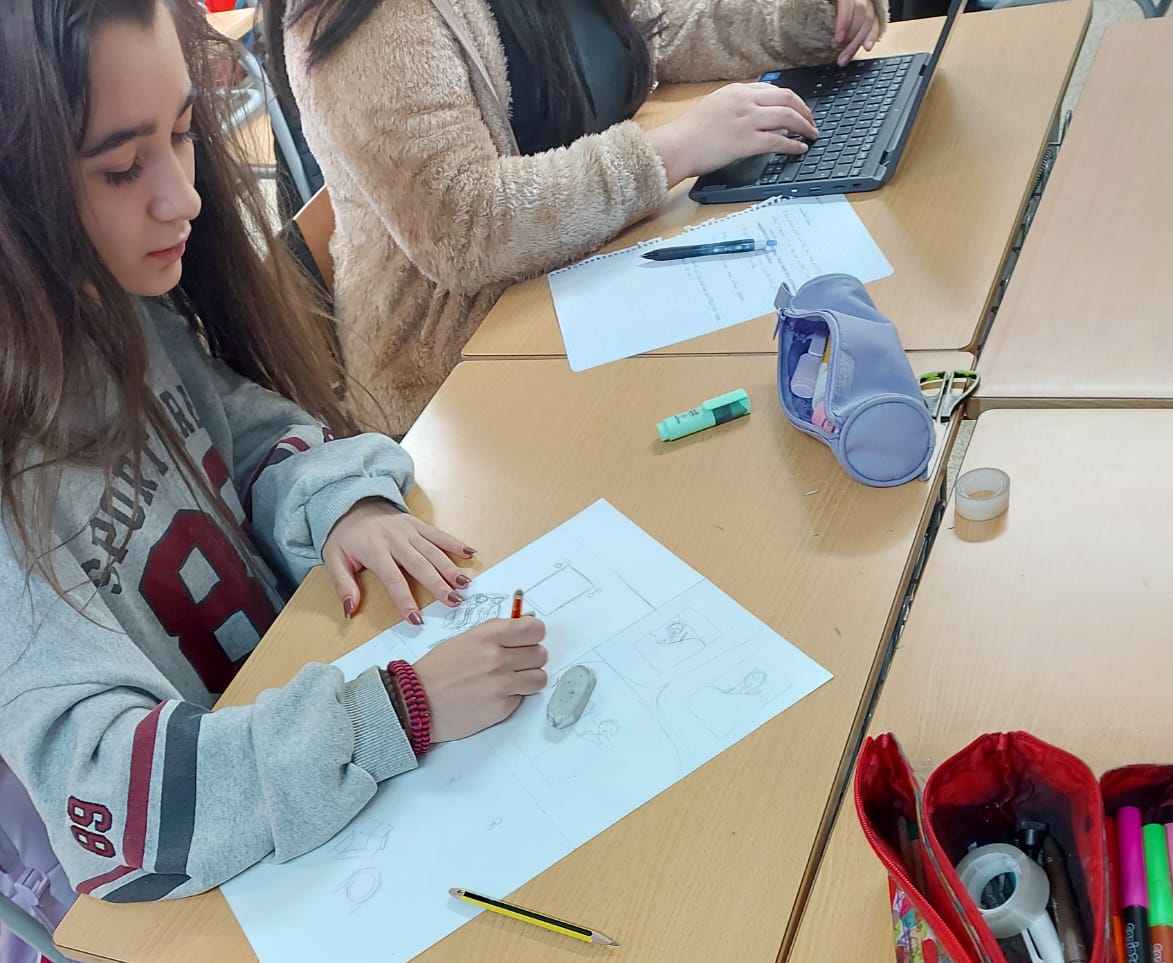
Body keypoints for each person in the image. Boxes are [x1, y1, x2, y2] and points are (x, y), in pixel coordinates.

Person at [0, 0, 548, 903]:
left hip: (306, 742)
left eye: (182, 133)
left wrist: (343, 502)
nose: (186, 197)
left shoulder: (116, 307)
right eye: (122, 167)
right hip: (240, 884)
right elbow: (114, 806)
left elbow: (244, 433)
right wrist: (392, 713)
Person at [270, 0, 886, 433]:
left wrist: (811, 19)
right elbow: (466, 227)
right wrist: (676, 149)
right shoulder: (361, 19)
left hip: (592, 269)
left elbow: (656, 30)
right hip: (465, 377)